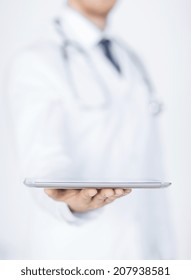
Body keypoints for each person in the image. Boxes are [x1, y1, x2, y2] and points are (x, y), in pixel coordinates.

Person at [8, 0, 174, 259]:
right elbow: (41, 157)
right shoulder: (36, 60)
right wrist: (70, 199)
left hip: (146, 252)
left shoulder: (131, 59)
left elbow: (149, 162)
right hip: (77, 254)